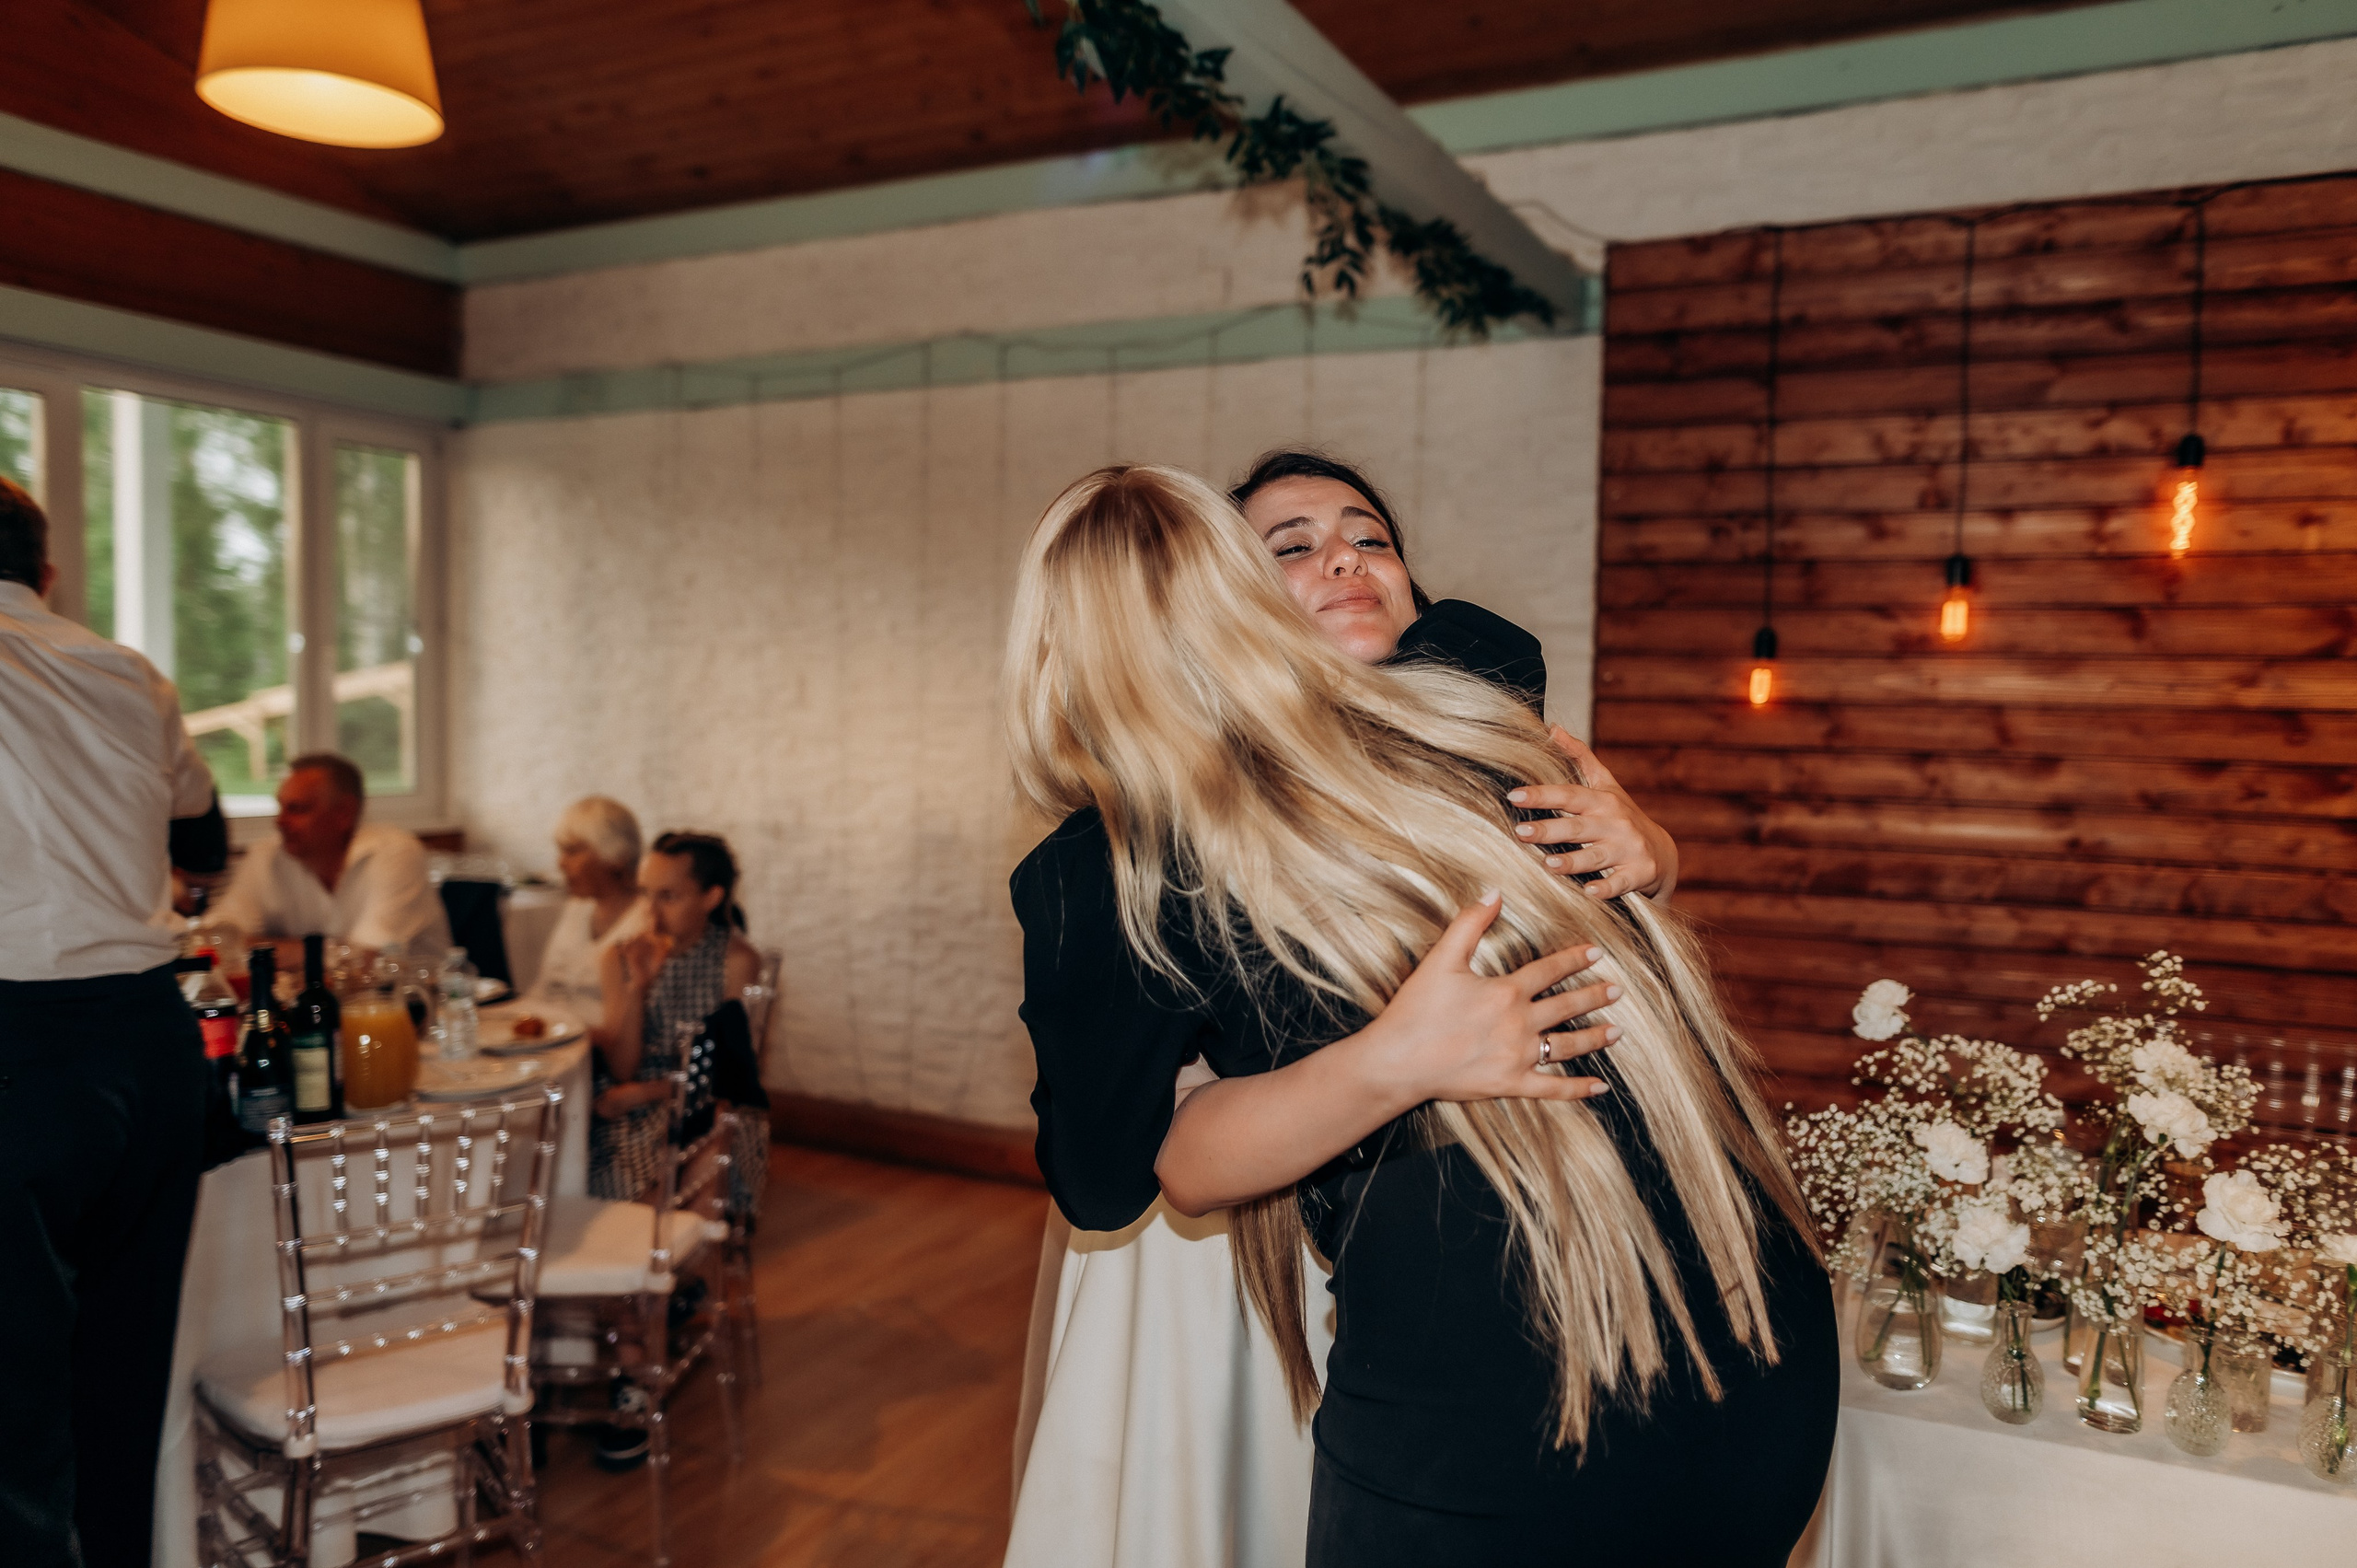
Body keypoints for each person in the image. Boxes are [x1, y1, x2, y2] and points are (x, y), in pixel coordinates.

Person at [1005, 466, 1835, 1566]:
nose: (1343, 559)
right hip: (1503, 1375)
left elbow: (1479, 652)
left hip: (1743, 1311)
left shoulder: (1459, 698)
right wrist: (1394, 1059)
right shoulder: (1113, 863)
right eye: (1283, 548)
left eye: (1368, 537)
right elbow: (1116, 1172)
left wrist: (1654, 849)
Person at [0, 476, 226, 1568]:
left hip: (17, 1049)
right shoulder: (129, 671)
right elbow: (205, 833)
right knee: (126, 1368)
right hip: (148, 1040)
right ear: (46, 574)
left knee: (12, 1398)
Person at [211, 752, 450, 960]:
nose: (280, 822)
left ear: (344, 813)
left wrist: (262, 949)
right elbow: (215, 937)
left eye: (297, 809)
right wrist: (323, 953)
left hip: (420, 996)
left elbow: (368, 959)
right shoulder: (267, 855)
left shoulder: (396, 853)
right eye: (281, 807)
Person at [524, 796, 648, 1028]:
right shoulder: (578, 907)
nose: (561, 863)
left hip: (594, 1043)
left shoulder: (646, 919)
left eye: (572, 852)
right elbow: (543, 987)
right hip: (549, 1032)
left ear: (616, 856)